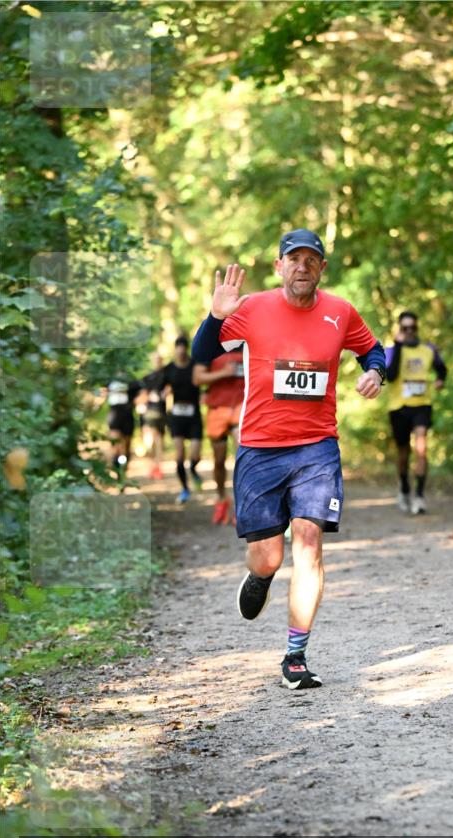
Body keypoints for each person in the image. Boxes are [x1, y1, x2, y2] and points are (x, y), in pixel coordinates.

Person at [192, 228, 386, 690]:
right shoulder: (252, 308)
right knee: (267, 556)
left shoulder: (340, 313)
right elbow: (201, 355)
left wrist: (376, 371)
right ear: (279, 267)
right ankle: (259, 578)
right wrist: (215, 317)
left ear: (322, 268)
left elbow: (373, 349)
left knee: (309, 542)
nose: (302, 267)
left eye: (311, 260)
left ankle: (295, 655)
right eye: (293, 259)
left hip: (317, 447)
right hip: (260, 448)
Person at [385, 310, 447, 514]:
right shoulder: (392, 351)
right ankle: (404, 488)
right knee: (403, 453)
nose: (410, 331)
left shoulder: (428, 349)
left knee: (422, 446)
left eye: (413, 328)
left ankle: (419, 496)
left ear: (417, 328)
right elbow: (391, 376)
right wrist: (399, 346)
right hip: (399, 407)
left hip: (422, 404)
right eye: (405, 328)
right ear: (400, 329)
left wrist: (440, 380)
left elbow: (441, 368)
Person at [193, 347, 245, 525]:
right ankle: (221, 498)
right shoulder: (212, 342)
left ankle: (242, 505)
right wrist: (224, 373)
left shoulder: (248, 340)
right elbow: (197, 378)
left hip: (241, 408)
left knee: (242, 458)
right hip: (217, 409)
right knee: (219, 460)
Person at [160, 335, 203, 504]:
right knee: (179, 455)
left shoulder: (195, 366)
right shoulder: (169, 369)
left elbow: (203, 381)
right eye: (178, 348)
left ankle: (193, 468)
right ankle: (185, 489)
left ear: (186, 349)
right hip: (177, 415)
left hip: (194, 415)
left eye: (184, 348)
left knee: (195, 454)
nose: (181, 351)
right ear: (175, 350)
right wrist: (163, 393)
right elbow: (160, 386)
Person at [105, 371, 142, 486]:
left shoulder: (131, 380)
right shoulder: (108, 379)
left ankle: (123, 472)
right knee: (116, 446)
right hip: (114, 416)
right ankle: (118, 475)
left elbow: (141, 394)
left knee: (126, 447)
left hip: (127, 415)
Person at [141, 351, 167, 480]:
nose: (157, 362)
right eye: (155, 360)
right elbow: (142, 395)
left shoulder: (166, 376)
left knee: (158, 440)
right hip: (149, 412)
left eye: (159, 359)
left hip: (161, 413)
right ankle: (152, 466)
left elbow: (170, 389)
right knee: (149, 440)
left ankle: (158, 467)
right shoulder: (147, 378)